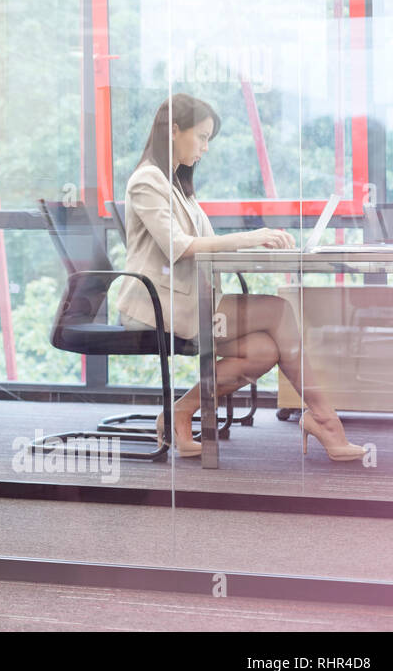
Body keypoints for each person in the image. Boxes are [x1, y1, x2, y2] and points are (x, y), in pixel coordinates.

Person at [116, 94, 367, 461]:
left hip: (191, 302)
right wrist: (251, 237)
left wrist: (256, 246)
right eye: (201, 137)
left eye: (208, 140)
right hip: (159, 307)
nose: (204, 147)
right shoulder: (147, 181)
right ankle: (325, 420)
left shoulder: (176, 185)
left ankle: (179, 414)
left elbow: (201, 244)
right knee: (279, 312)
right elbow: (178, 246)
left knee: (264, 350)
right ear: (173, 131)